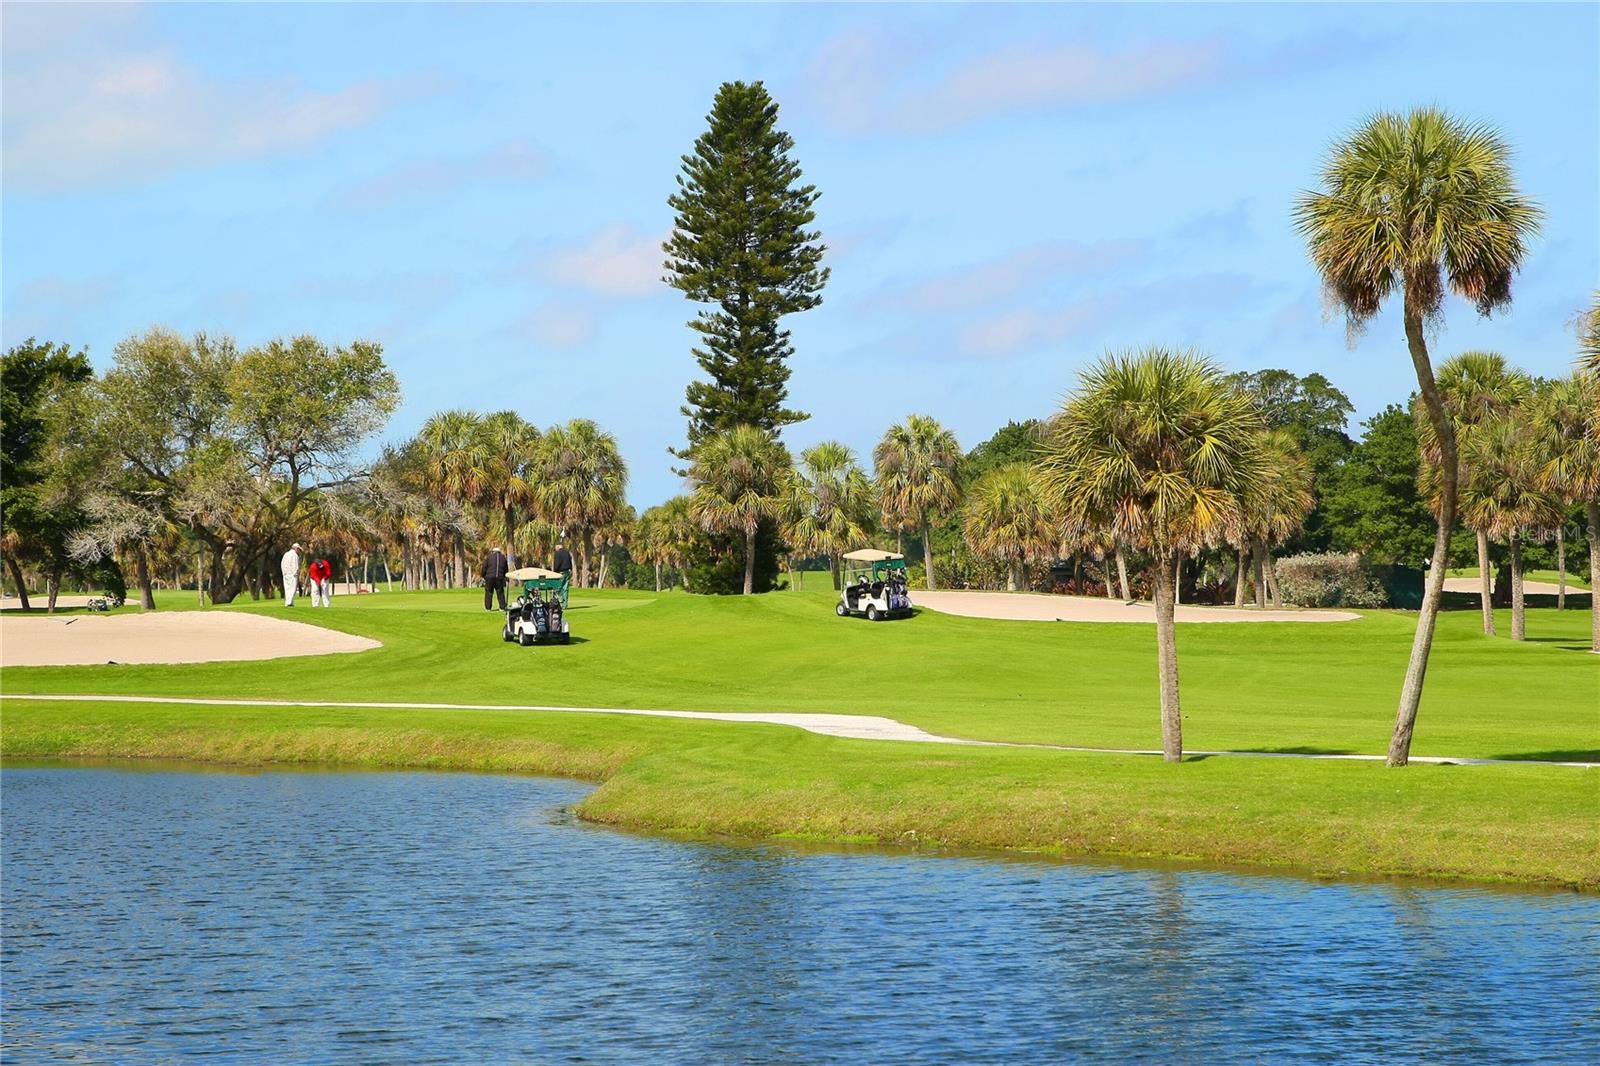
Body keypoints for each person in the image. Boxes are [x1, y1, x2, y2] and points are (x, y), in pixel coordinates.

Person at [482, 545, 509, 611]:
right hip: (499, 577)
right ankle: (502, 607)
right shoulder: (503, 557)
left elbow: (484, 567)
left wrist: (483, 575)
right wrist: (504, 576)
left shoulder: (489, 557)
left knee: (489, 592)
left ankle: (488, 608)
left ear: (493, 551)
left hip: (489, 577)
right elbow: (506, 568)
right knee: (500, 592)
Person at [280, 542, 302, 607]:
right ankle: (289, 602)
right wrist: (296, 573)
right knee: (292, 588)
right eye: (299, 549)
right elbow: (295, 565)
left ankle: (288, 602)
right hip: (292, 574)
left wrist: (283, 572)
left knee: (287, 588)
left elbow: (282, 564)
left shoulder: (286, 554)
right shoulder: (294, 555)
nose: (299, 551)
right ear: (296, 548)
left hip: (286, 574)